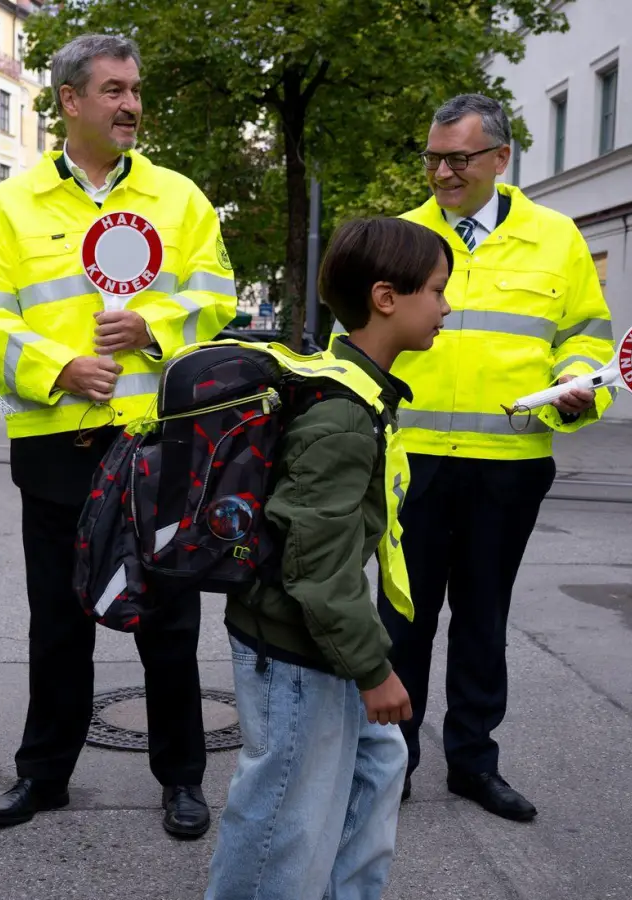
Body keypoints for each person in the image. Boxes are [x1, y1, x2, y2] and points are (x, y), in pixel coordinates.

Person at [0, 33, 238, 838]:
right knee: (58, 621)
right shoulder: (11, 206)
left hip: (159, 443)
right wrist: (59, 368)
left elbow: (217, 298)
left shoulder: (179, 198)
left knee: (171, 622)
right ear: (71, 102)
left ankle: (182, 779)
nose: (130, 106)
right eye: (113, 90)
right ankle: (42, 775)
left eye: (136, 91)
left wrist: (151, 324)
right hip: (59, 445)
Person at [378, 93, 614, 821]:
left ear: (500, 159)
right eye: (433, 158)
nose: (442, 172)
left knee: (483, 617)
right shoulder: (398, 236)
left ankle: (475, 764)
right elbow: (359, 339)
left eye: (458, 159)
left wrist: (580, 387)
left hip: (508, 465)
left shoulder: (556, 237)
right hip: (411, 461)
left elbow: (589, 337)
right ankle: (395, 765)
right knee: (403, 623)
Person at [205, 218, 450, 900]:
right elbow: (316, 566)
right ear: (385, 297)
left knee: (378, 767)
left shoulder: (355, 389)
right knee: (283, 819)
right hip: (294, 649)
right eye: (436, 290)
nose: (446, 307)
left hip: (320, 642)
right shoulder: (342, 416)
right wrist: (374, 670)